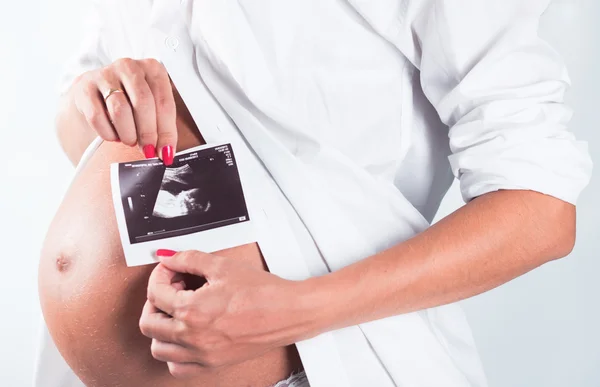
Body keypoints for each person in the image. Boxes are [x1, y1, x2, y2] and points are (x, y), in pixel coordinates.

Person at [36, 0, 592, 386]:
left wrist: (294, 311)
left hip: (317, 367)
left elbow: (540, 209)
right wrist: (102, 97)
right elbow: (78, 130)